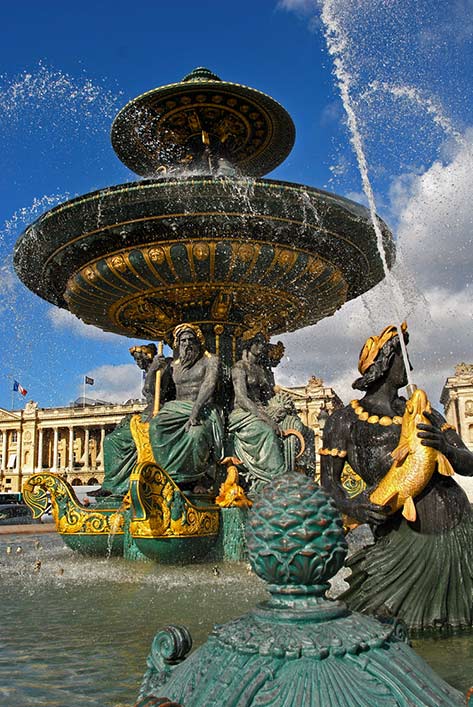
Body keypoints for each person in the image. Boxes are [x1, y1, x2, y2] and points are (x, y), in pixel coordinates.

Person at [320, 323, 473, 631]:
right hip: (400, 538)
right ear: (386, 362)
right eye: (404, 358)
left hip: (460, 532)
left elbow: (469, 463)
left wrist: (446, 447)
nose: (411, 366)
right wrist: (354, 507)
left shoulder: (425, 412)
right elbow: (329, 486)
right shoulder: (344, 421)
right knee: (384, 626)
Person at [148, 323, 224, 489]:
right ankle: (167, 475)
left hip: (202, 408)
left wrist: (195, 411)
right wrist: (152, 370)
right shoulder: (173, 366)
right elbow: (153, 391)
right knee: (155, 427)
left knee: (196, 434)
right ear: (178, 344)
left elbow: (209, 385)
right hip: (177, 409)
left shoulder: (211, 360)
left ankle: (194, 479)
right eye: (183, 341)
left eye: (191, 339)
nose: (187, 344)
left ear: (198, 342)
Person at [97, 343, 165, 498]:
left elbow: (159, 394)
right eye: (136, 361)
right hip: (148, 411)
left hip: (160, 410)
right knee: (110, 440)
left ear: (148, 357)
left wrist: (155, 369)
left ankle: (119, 485)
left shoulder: (163, 368)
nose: (138, 364)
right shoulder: (153, 369)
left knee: (115, 440)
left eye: (139, 360)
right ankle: (113, 484)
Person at [228, 332, 286, 489]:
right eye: (258, 342)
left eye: (263, 343)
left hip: (262, 410)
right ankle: (274, 479)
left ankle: (299, 472)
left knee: (294, 424)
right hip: (242, 413)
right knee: (267, 431)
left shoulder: (261, 370)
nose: (261, 346)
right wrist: (268, 419)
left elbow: (269, 396)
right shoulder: (239, 367)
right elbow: (241, 398)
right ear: (249, 345)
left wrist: (281, 406)